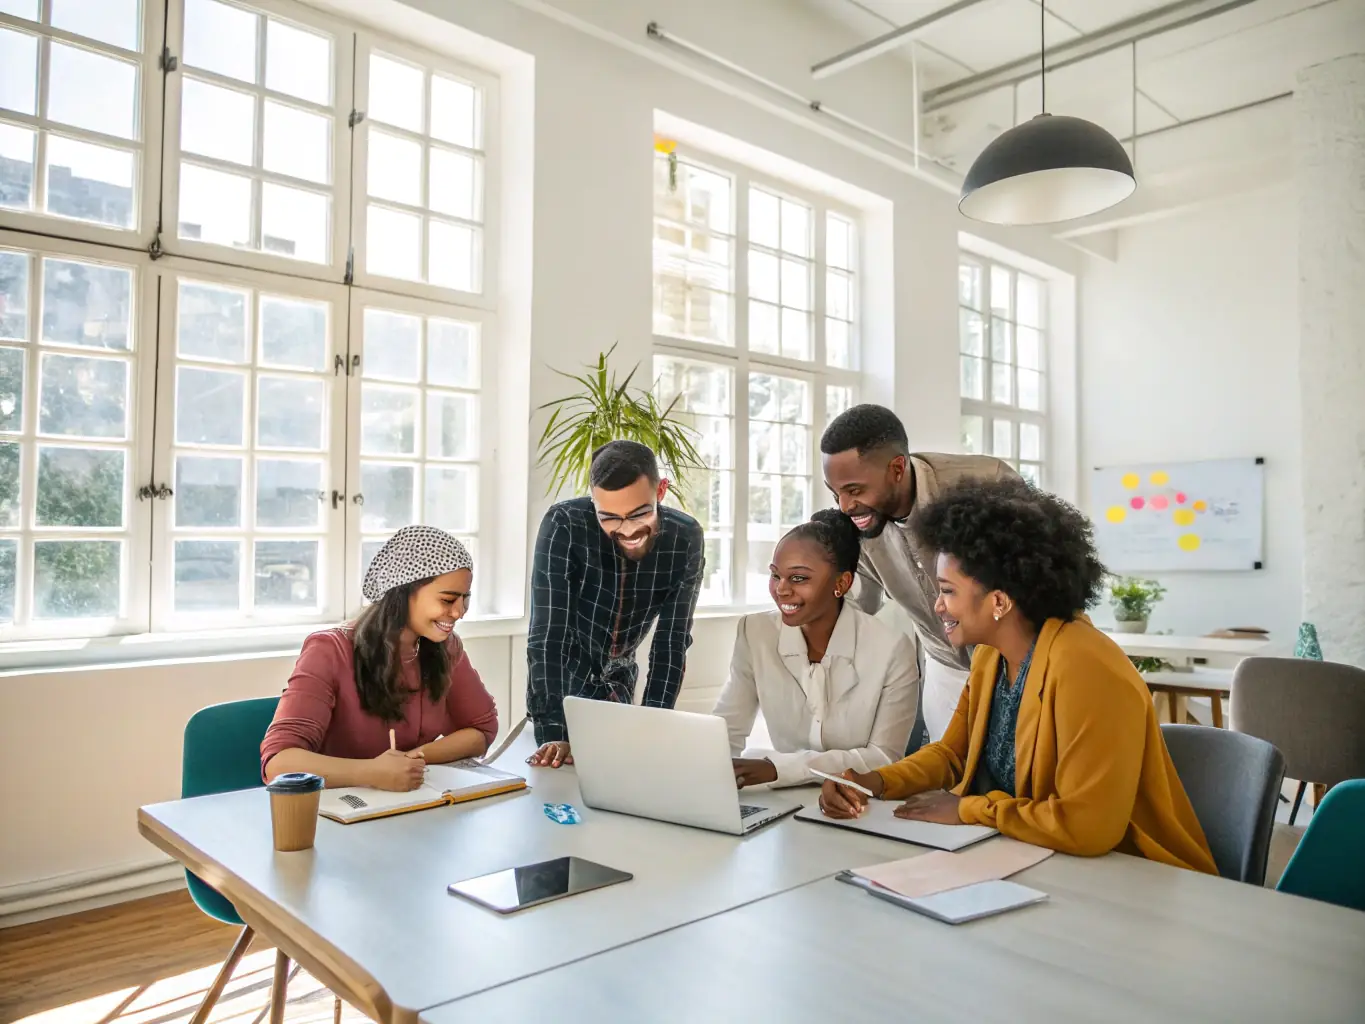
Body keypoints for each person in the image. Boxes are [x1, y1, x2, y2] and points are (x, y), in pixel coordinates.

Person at [818, 478, 1217, 873]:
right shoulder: (992, 656)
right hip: (1037, 858)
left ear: (999, 601)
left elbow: (1089, 828)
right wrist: (872, 782)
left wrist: (969, 809)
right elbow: (952, 754)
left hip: (1134, 875)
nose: (937, 606)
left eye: (948, 591)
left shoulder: (1088, 668)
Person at [821, 404, 1015, 745]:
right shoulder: (857, 525)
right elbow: (853, 609)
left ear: (897, 468)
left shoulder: (988, 483)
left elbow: (1039, 584)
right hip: (948, 674)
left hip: (1016, 671)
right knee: (952, 784)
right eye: (834, 492)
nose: (844, 506)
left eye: (854, 490)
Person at [261, 526, 499, 789]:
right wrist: (371, 772)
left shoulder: (445, 647)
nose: (459, 612)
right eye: (448, 600)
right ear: (403, 592)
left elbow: (482, 730)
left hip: (410, 808)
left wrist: (409, 761)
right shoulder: (328, 650)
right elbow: (279, 763)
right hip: (340, 814)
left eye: (465, 599)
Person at [526, 440, 705, 767]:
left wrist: (654, 723)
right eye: (609, 517)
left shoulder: (685, 536)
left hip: (619, 687)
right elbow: (548, 636)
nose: (627, 531)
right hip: (561, 688)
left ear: (660, 491)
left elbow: (671, 641)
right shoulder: (565, 524)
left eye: (639, 514)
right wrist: (552, 729)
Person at [714, 508, 919, 789]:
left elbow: (884, 757)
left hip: (860, 802)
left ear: (842, 583)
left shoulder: (891, 648)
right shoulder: (755, 633)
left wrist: (780, 769)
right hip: (785, 802)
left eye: (798, 578)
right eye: (776, 576)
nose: (781, 590)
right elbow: (726, 730)